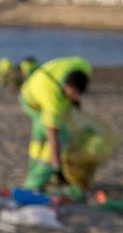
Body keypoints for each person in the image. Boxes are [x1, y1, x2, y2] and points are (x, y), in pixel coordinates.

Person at [19, 56, 92, 191]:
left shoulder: (83, 66)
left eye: (78, 94)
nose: (75, 97)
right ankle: (35, 183)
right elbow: (54, 137)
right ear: (66, 86)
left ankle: (45, 172)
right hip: (32, 101)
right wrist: (58, 169)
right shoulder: (51, 100)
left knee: (41, 138)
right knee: (58, 138)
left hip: (38, 83)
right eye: (72, 93)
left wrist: (74, 99)